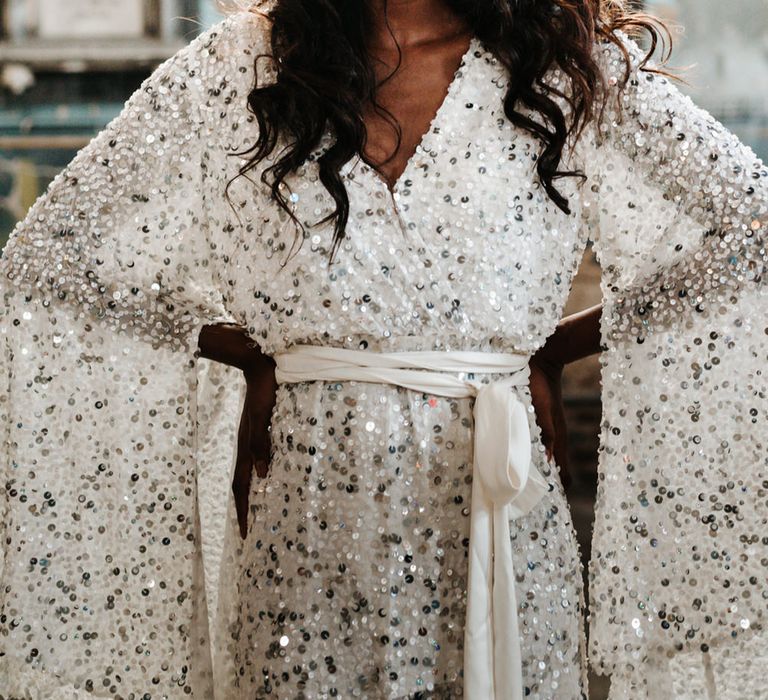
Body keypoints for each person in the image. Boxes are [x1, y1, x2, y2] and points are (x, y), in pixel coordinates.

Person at [1, 0, 765, 698]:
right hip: (307, 533)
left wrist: (551, 350)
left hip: (497, 523)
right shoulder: (240, 65)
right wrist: (244, 351)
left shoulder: (565, 68)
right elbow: (51, 262)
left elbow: (748, 230)